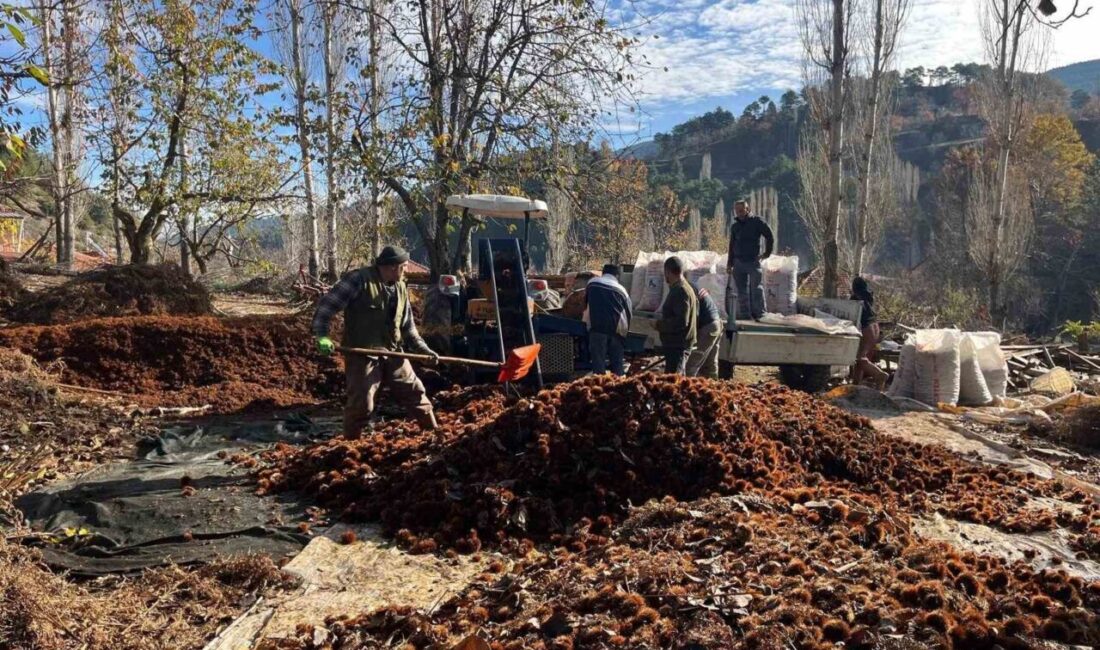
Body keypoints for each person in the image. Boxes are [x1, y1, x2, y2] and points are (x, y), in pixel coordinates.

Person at [312, 245, 439, 437]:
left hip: (393, 352)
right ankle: (350, 446)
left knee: (416, 394)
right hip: (363, 353)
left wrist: (424, 351)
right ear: (391, 267)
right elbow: (326, 308)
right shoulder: (358, 280)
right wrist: (322, 335)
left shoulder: (401, 288)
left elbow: (408, 328)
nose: (406, 271)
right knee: (362, 405)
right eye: (404, 267)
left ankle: (436, 435)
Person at [726, 199, 774, 321]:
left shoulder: (757, 221)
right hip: (738, 262)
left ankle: (760, 315)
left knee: (756, 289)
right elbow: (731, 246)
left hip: (753, 261)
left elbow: (769, 236)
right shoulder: (735, 226)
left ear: (748, 209)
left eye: (741, 210)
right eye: (737, 211)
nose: (739, 213)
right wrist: (729, 263)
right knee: (742, 291)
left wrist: (766, 253)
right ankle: (745, 316)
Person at [584, 264, 632, 376]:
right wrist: (624, 335)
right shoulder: (622, 290)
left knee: (598, 367)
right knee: (617, 366)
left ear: (603, 273)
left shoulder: (592, 283)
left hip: (597, 330)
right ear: (617, 276)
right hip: (616, 332)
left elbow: (585, 304)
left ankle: (600, 389)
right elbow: (629, 313)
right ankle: (619, 388)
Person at [654, 256, 697, 374]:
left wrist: (659, 325)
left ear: (667, 271)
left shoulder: (681, 290)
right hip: (677, 344)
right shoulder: (683, 288)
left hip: (678, 345)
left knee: (673, 382)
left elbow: (681, 321)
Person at [850, 276, 889, 390]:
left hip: (867, 329)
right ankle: (854, 386)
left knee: (858, 358)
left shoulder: (856, 298)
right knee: (861, 358)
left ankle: (879, 375)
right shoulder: (868, 295)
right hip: (875, 327)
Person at [686, 281, 723, 379]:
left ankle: (688, 389)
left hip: (708, 327)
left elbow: (694, 317)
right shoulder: (693, 286)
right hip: (717, 323)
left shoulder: (686, 290)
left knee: (690, 366)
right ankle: (713, 388)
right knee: (710, 365)